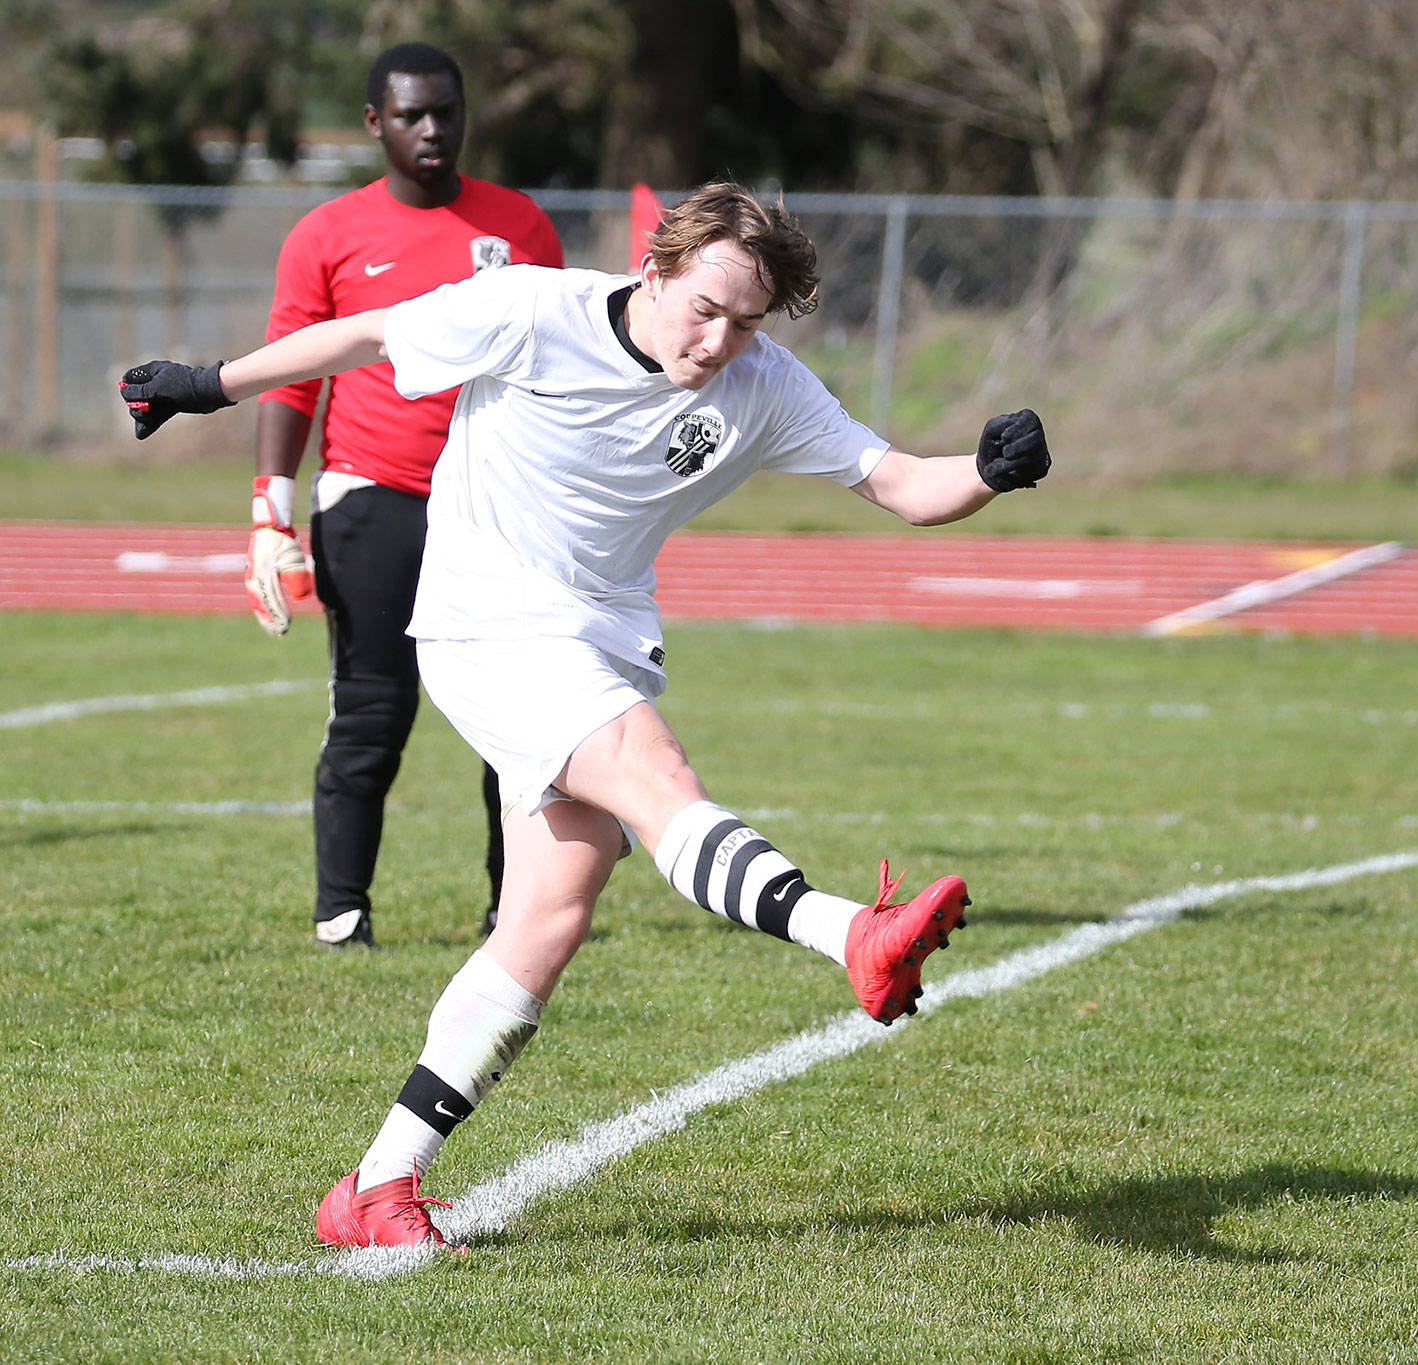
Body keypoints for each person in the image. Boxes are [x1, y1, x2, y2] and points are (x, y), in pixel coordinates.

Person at [119, 181, 1052, 1250]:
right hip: (486, 624)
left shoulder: (762, 381)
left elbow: (896, 481)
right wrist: (208, 382)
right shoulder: (530, 311)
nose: (718, 340)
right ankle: (853, 933)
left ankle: (375, 1189)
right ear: (651, 271)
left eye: (745, 321)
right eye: (703, 308)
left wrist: (983, 473)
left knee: (547, 920)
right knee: (657, 779)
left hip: (598, 636)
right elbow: (371, 332)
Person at [248, 42, 564, 948]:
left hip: (498, 503)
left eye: (446, 112)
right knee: (374, 710)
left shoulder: (522, 226)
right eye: (411, 115)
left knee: (516, 720)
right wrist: (270, 509)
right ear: (373, 123)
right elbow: (288, 377)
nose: (432, 130)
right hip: (373, 497)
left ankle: (516, 910)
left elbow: (557, 362)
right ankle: (342, 912)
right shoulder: (328, 233)